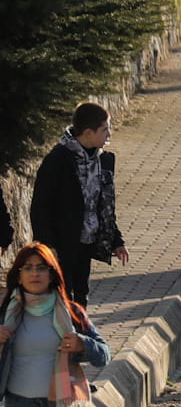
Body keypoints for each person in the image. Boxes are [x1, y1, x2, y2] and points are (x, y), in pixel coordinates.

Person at [0, 245, 110, 407]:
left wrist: (83, 344)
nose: (34, 274)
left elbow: (104, 355)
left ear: (52, 274)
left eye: (41, 268)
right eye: (27, 268)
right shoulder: (5, 313)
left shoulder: (71, 313)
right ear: (18, 274)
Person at [30, 103, 128, 307]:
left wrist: (116, 240)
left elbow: (105, 206)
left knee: (81, 294)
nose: (109, 133)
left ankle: (79, 334)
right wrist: (47, 244)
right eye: (105, 129)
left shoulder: (103, 160)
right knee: (62, 295)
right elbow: (41, 206)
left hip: (87, 241)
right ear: (88, 133)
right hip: (62, 244)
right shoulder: (58, 161)